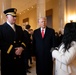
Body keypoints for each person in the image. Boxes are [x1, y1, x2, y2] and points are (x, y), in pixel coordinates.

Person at [0, 8, 27, 75]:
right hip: (8, 59)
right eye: (13, 16)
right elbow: (1, 42)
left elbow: (25, 39)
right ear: (7, 17)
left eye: (15, 16)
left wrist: (21, 48)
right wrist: (13, 50)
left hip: (20, 59)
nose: (15, 18)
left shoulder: (19, 28)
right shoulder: (1, 28)